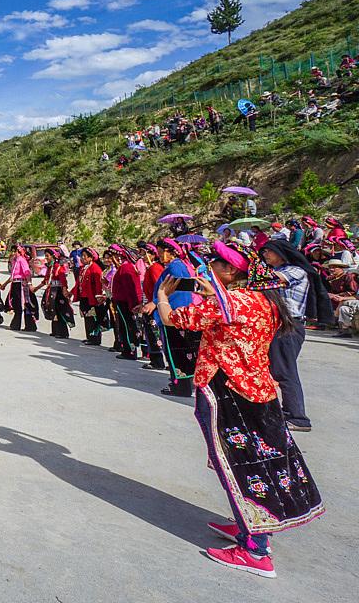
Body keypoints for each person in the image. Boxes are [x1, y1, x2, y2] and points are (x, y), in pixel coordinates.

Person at [157, 242, 324, 578]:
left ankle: (257, 550)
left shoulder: (232, 303)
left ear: (230, 272)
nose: (208, 270)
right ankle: (250, 524)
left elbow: (175, 318)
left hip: (227, 390)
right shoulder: (266, 301)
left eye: (214, 264)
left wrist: (162, 294)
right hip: (258, 390)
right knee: (262, 462)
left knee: (239, 463)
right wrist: (215, 292)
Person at [260, 241, 317, 431]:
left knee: (285, 371)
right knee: (278, 369)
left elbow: (269, 277)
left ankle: (299, 417)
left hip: (289, 325)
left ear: (281, 253)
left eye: (269, 251)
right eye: (264, 251)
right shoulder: (283, 270)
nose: (266, 254)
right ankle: (287, 411)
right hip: (280, 324)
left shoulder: (295, 271)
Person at [151, 240, 199, 397]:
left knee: (175, 351)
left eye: (159, 253)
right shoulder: (177, 265)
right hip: (176, 313)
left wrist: (161, 305)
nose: (158, 256)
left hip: (173, 314)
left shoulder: (175, 267)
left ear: (168, 251)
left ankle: (180, 385)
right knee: (180, 350)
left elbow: (175, 291)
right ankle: (182, 383)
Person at [108, 245, 143, 359]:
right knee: (124, 325)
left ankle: (130, 351)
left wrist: (132, 304)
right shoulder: (125, 267)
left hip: (125, 302)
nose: (114, 258)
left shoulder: (126, 268)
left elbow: (130, 288)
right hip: (123, 302)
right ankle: (127, 349)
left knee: (127, 326)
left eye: (115, 255)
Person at [36, 248, 73, 338]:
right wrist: (36, 288)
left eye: (47, 256)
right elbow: (46, 280)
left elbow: (63, 279)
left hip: (58, 291)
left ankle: (63, 333)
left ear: (53, 256)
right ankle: (55, 331)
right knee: (53, 309)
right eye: (45, 256)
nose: (46, 258)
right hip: (51, 290)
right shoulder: (50, 267)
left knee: (59, 311)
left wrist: (64, 290)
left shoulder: (58, 266)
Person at [1, 245, 37, 331]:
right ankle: (17, 324)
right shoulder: (14, 261)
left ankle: (27, 325)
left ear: (19, 252)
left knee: (23, 304)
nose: (13, 253)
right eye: (12, 251)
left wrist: (29, 284)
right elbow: (12, 276)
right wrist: (5, 284)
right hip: (15, 284)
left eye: (15, 251)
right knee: (16, 304)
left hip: (21, 284)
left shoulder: (22, 260)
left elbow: (27, 273)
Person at [75, 248, 107, 345]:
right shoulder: (83, 268)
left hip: (92, 297)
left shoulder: (95, 268)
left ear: (91, 257)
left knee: (93, 318)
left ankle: (95, 338)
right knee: (87, 317)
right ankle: (89, 336)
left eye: (85, 256)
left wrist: (98, 296)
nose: (82, 258)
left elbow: (98, 284)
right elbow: (78, 283)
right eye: (82, 256)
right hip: (84, 296)